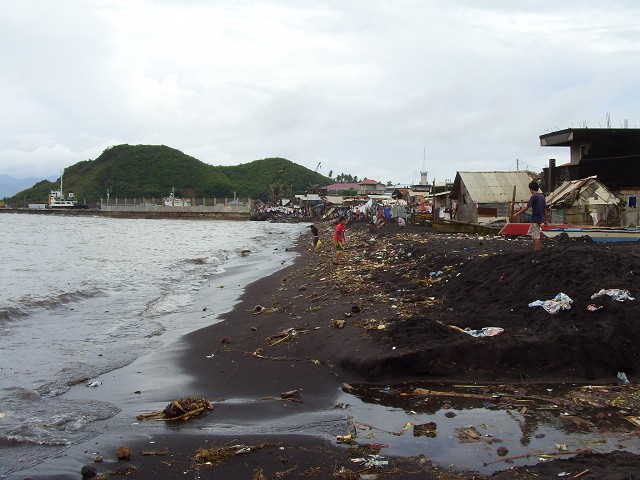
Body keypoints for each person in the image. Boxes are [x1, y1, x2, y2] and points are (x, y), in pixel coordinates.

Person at [514, 180, 547, 251]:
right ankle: (536, 248)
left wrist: (517, 213)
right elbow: (544, 209)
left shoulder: (534, 196)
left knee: (536, 235)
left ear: (531, 189)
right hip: (539, 218)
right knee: (533, 233)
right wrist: (545, 219)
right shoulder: (542, 196)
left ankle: (538, 250)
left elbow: (526, 208)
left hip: (535, 218)